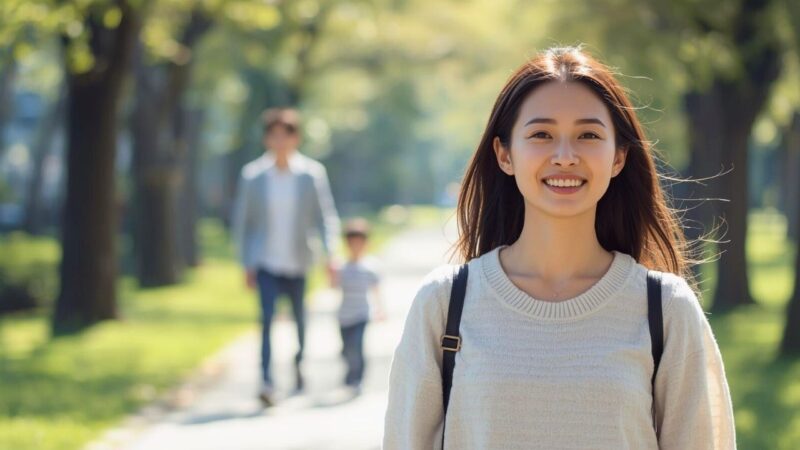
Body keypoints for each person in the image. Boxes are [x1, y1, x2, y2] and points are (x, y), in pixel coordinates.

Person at [383, 47, 736, 449]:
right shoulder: (445, 304)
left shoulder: (667, 309)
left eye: (588, 135)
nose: (565, 157)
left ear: (618, 157)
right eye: (541, 135)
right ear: (505, 155)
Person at [232, 108, 339, 406]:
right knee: (266, 319)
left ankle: (299, 363)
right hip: (265, 260)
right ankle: (266, 380)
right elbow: (243, 222)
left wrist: (331, 254)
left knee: (299, 320)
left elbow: (325, 216)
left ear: (295, 138)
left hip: (298, 259)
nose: (280, 141)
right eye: (274, 135)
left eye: (285, 135)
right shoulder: (253, 175)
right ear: (267, 139)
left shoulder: (311, 174)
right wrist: (245, 263)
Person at [333, 218, 384, 394]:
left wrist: (380, 309)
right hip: (344, 315)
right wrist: (330, 274)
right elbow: (333, 286)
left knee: (357, 347)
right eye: (352, 243)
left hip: (361, 314)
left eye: (359, 243)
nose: (356, 246)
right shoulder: (341, 267)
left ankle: (357, 379)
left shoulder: (370, 267)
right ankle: (350, 374)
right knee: (347, 350)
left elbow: (376, 290)